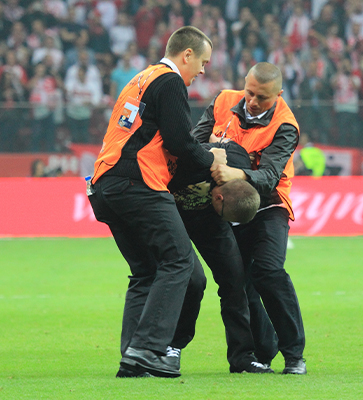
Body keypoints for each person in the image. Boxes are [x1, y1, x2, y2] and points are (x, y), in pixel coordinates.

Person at [87, 26, 227, 379]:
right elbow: (181, 141)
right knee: (179, 262)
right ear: (187, 55)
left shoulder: (141, 78)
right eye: (203, 62)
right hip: (139, 184)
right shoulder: (170, 81)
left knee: (149, 272)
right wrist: (213, 160)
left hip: (106, 185)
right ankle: (149, 349)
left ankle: (133, 357)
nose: (203, 72)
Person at [191, 62, 307, 375]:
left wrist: (235, 172)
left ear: (279, 95)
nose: (253, 101)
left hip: (269, 205)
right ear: (245, 83)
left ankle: (294, 355)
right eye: (250, 92)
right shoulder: (222, 101)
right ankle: (262, 351)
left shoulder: (285, 125)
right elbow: (194, 142)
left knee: (268, 271)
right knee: (239, 283)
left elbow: (270, 176)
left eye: (263, 97)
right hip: (228, 205)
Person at [167, 140, 274, 374]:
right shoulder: (195, 163)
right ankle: (172, 346)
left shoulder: (236, 165)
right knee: (193, 280)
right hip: (170, 216)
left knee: (236, 281)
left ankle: (242, 356)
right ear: (219, 198)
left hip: (209, 221)